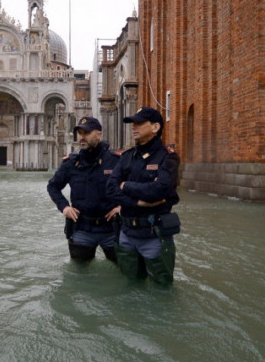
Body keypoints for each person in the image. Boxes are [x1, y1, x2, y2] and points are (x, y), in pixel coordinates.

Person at [106, 106, 181, 283]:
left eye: (139, 123)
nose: (134, 127)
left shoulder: (168, 158)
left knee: (161, 290)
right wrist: (138, 203)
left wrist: (125, 185)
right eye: (133, 123)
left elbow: (159, 190)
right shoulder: (126, 157)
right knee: (130, 286)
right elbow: (110, 189)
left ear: (155, 127)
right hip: (126, 234)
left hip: (154, 236)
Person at [47, 117, 121, 263]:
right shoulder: (71, 163)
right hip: (82, 229)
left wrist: (122, 207)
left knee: (121, 269)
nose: (82, 137)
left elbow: (131, 185)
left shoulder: (115, 161)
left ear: (99, 134)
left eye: (86, 132)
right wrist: (64, 207)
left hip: (111, 229)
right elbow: (53, 186)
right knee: (79, 274)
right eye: (80, 133)